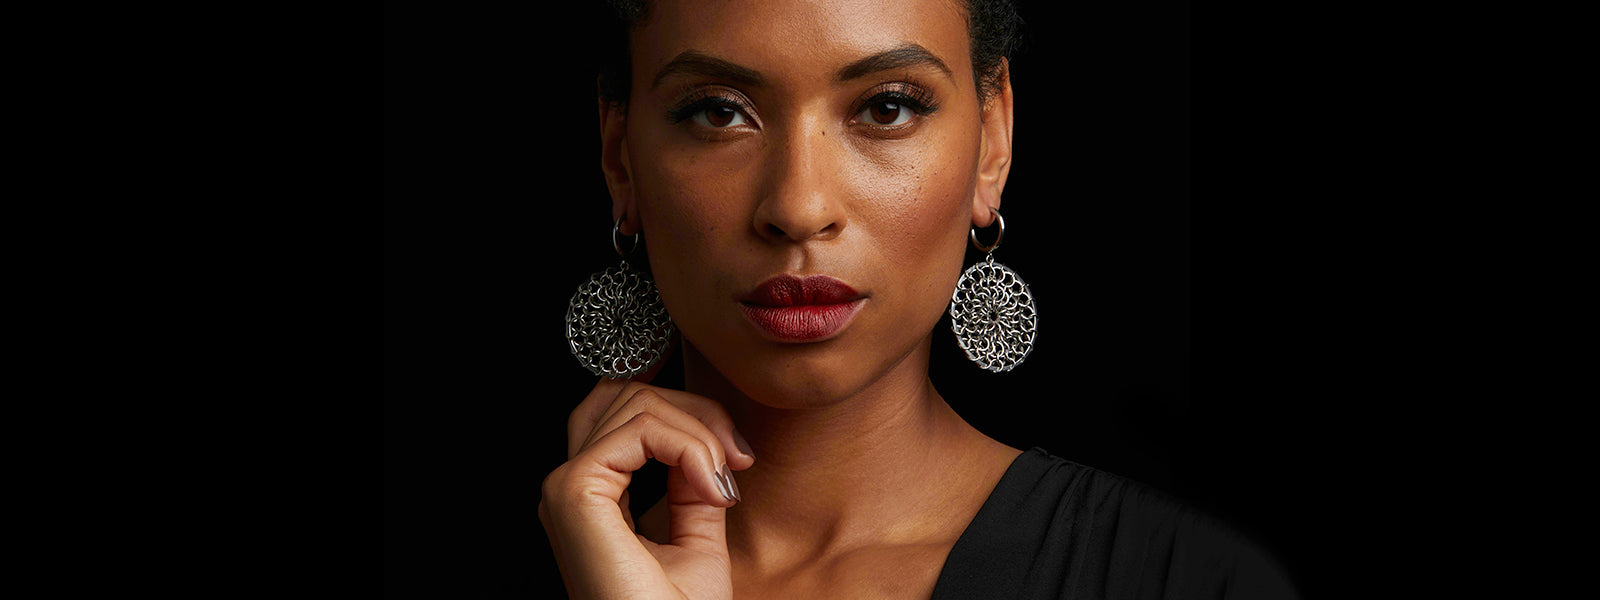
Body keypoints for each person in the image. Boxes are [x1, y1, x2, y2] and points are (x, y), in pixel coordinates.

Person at [539, 1, 1296, 598]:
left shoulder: (1191, 580)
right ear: (620, 157)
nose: (799, 207)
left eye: (887, 108)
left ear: (992, 141)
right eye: (718, 111)